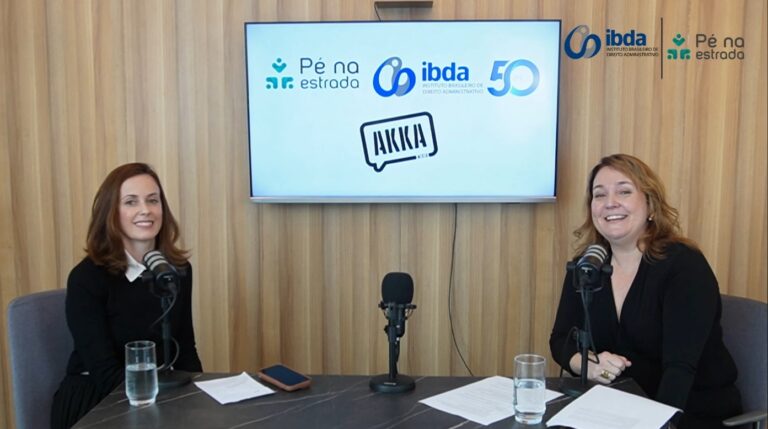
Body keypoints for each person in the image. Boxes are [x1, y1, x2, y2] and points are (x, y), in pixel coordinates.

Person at [549, 154, 741, 429]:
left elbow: (680, 370)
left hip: (688, 410)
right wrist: (586, 364)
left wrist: (655, 424)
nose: (610, 202)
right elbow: (560, 339)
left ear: (650, 204)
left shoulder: (683, 264)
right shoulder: (588, 265)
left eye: (624, 191)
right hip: (616, 407)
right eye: (599, 195)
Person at [51, 163, 202, 429]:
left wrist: (198, 400)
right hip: (97, 399)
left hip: (159, 395)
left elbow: (185, 349)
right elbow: (104, 372)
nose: (145, 210)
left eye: (153, 200)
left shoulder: (176, 271)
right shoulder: (86, 278)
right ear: (111, 212)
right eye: (131, 202)